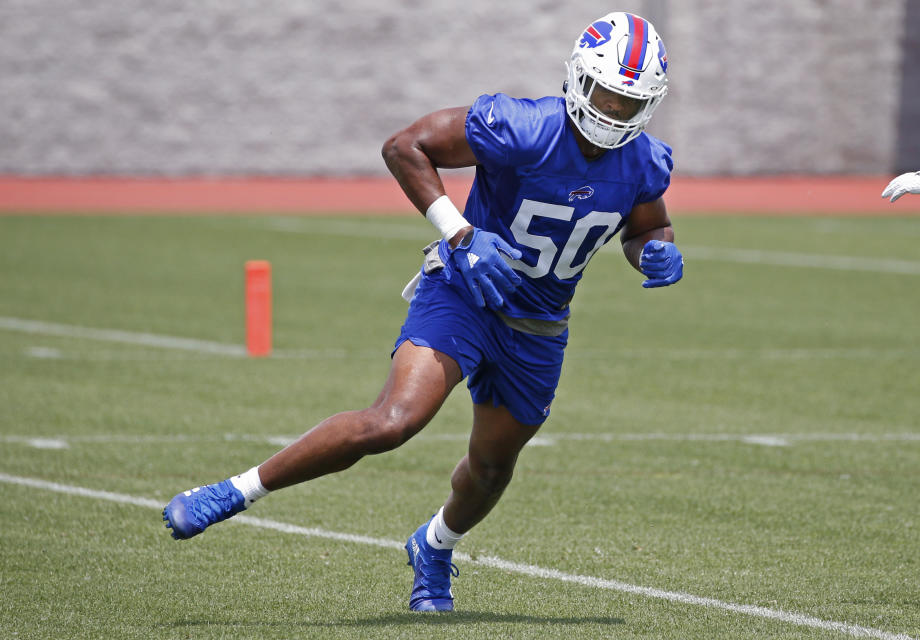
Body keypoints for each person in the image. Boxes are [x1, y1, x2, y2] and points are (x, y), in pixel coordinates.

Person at [162, 11, 683, 612]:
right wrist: (460, 233)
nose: (614, 113)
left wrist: (656, 254)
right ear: (578, 78)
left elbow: (649, 226)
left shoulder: (644, 160)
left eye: (629, 103)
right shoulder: (523, 126)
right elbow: (403, 145)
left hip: (539, 327)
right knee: (393, 421)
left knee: (491, 469)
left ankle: (434, 547)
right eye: (607, 94)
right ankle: (233, 491)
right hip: (465, 293)